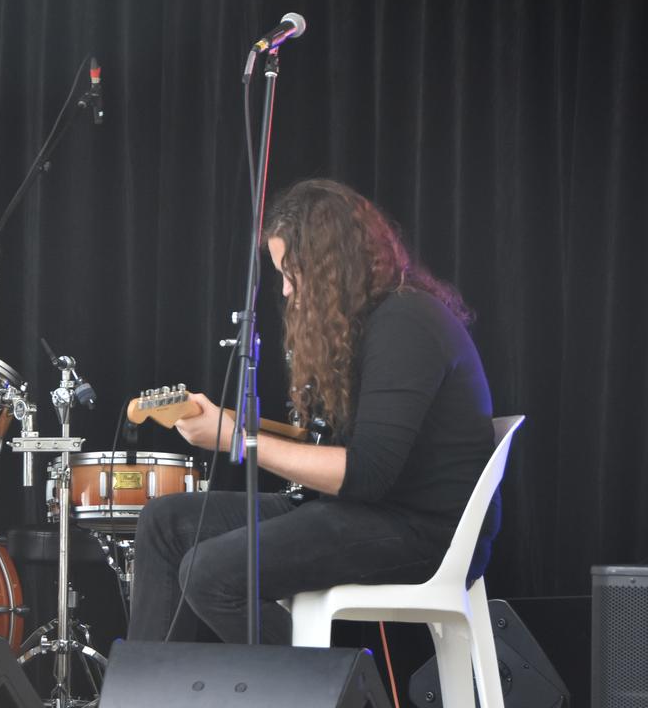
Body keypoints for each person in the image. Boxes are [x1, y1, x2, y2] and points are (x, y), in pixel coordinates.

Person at [127, 178, 496, 645]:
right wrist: (234, 424)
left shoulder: (408, 322)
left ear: (328, 268)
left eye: (290, 272)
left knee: (210, 573)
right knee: (164, 523)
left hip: (421, 531)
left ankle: (330, 695)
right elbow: (341, 446)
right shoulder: (368, 323)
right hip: (360, 510)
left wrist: (238, 441)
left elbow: (368, 472)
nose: (284, 290)